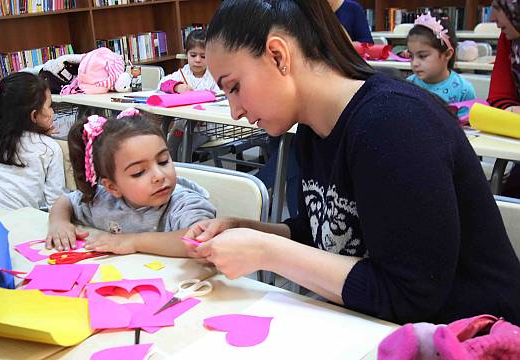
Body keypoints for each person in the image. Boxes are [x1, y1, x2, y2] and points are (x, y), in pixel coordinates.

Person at [185, 0, 520, 325]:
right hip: (390, 331)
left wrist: (265, 251)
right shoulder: (312, 131)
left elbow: (410, 295)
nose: (235, 112)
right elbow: (326, 234)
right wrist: (252, 231)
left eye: (234, 87)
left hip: (478, 333)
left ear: (277, 55)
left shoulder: (392, 124)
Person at [45, 107, 216, 255]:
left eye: (163, 161)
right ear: (112, 187)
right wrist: (59, 222)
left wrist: (132, 242)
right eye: (139, 172)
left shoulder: (183, 203)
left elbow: (202, 240)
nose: (159, 176)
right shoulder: (103, 201)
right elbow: (65, 200)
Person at [0, 72, 64, 210]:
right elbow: (55, 202)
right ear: (34, 115)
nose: (52, 111)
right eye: (50, 106)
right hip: (16, 222)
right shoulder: (50, 149)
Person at [159, 29, 221, 160]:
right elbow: (162, 83)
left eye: (203, 56)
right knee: (168, 149)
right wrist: (177, 86)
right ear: (186, 54)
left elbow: (220, 97)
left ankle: (185, 178)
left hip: (205, 130)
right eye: (193, 55)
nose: (197, 60)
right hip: (181, 127)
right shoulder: (183, 73)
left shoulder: (213, 76)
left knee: (183, 150)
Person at [406, 13, 476, 115]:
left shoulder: (464, 90)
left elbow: (466, 128)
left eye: (422, 56)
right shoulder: (408, 85)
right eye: (411, 56)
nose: (415, 63)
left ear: (447, 54)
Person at [487, 0, 520, 198]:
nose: (492, 18)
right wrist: (512, 111)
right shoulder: (509, 39)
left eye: (498, 8)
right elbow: (499, 97)